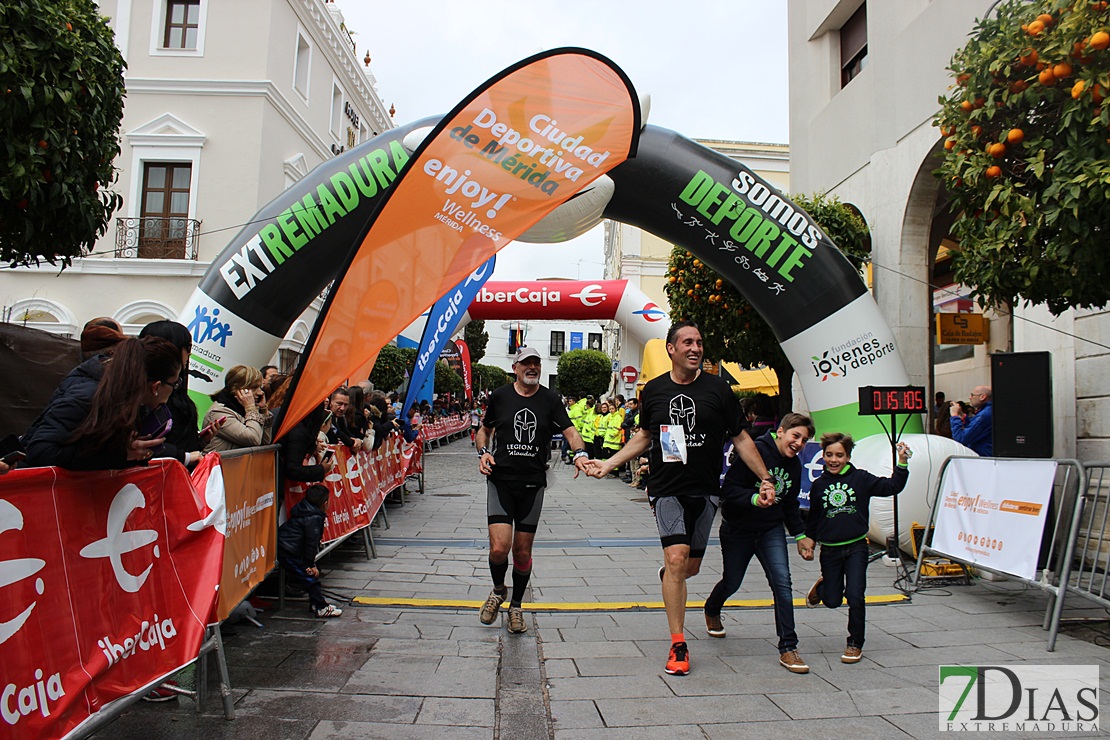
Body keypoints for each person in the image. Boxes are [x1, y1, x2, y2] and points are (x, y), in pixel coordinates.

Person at [585, 321, 774, 676]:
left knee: (690, 567)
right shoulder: (654, 390)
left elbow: (742, 439)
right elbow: (645, 435)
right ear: (671, 349)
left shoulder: (719, 390)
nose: (695, 348)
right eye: (687, 342)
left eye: (699, 342)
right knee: (677, 559)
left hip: (704, 491)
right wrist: (609, 463)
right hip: (666, 488)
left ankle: (672, 575)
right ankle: (678, 643)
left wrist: (765, 477)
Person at [475, 347, 590, 634]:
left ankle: (516, 606)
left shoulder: (550, 399)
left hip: (532, 483)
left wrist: (580, 453)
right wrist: (483, 452)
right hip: (501, 480)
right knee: (499, 548)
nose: (533, 367)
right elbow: (483, 429)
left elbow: (571, 431)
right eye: (527, 363)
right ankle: (499, 590)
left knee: (522, 552)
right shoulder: (500, 396)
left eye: (536, 363)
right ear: (515, 367)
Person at [703, 413, 815, 674]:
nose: (798, 443)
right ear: (781, 431)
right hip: (738, 529)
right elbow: (728, 491)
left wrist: (800, 536)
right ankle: (712, 607)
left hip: (770, 529)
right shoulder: (755, 451)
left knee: (782, 584)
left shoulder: (795, 466)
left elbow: (789, 504)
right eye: (795, 436)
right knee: (732, 581)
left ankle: (788, 647)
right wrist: (755, 499)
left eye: (804, 440)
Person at [805, 433, 911, 664]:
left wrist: (902, 462)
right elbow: (813, 519)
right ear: (823, 456)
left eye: (839, 455)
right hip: (830, 551)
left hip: (856, 548)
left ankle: (854, 643)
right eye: (829, 455)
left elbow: (892, 486)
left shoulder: (861, 479)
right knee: (833, 601)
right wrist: (808, 542)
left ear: (848, 457)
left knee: (855, 595)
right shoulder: (818, 485)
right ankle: (823, 588)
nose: (834, 460)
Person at [21, 336, 181, 469]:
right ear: (156, 386)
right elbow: (40, 451)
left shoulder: (130, 402)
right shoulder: (88, 397)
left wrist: (134, 453)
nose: (175, 389)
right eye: (175, 383)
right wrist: (120, 454)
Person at [140, 320, 218, 467]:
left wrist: (198, 441)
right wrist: (184, 456)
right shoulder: (144, 396)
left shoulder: (178, 390)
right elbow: (145, 444)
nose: (189, 354)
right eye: (187, 347)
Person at [277, 483, 343, 618]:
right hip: (288, 551)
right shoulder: (313, 518)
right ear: (325, 504)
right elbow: (310, 544)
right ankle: (321, 607)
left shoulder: (304, 510)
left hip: (290, 549)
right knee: (310, 577)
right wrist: (310, 565)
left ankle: (315, 604)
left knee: (311, 576)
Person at [202, 365, 273, 453]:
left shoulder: (244, 410)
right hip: (221, 466)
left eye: (260, 387)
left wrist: (263, 410)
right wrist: (250, 408)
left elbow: (265, 441)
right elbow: (254, 439)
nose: (260, 392)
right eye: (254, 388)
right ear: (238, 389)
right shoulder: (218, 413)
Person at [950, 385, 992, 456]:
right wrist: (962, 416)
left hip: (983, 457)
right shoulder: (987, 411)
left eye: (972, 395)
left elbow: (961, 439)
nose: (970, 398)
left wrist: (954, 416)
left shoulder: (984, 415)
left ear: (982, 397)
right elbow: (974, 428)